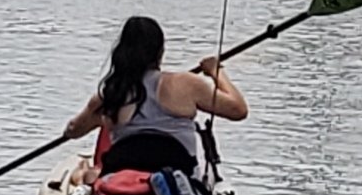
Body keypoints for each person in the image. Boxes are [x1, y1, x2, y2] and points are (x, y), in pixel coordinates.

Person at [64, 16, 248, 178]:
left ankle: (86, 174)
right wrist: (216, 72)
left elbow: (74, 130)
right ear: (160, 52)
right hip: (178, 180)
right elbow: (238, 110)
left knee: (88, 172)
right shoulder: (186, 84)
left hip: (123, 175)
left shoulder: (111, 94)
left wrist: (99, 119)